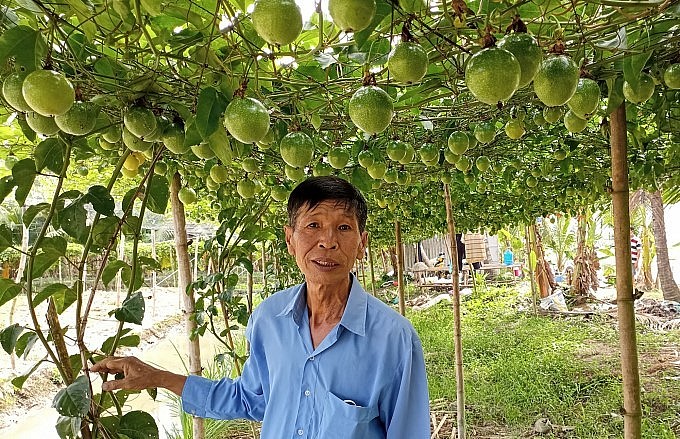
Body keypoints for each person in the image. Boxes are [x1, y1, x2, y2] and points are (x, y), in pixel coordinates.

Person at [91, 176, 430, 438]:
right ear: (289, 240)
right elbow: (251, 399)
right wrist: (157, 377)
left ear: (361, 244)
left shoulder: (393, 339)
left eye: (343, 228)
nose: (328, 241)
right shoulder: (269, 319)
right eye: (313, 226)